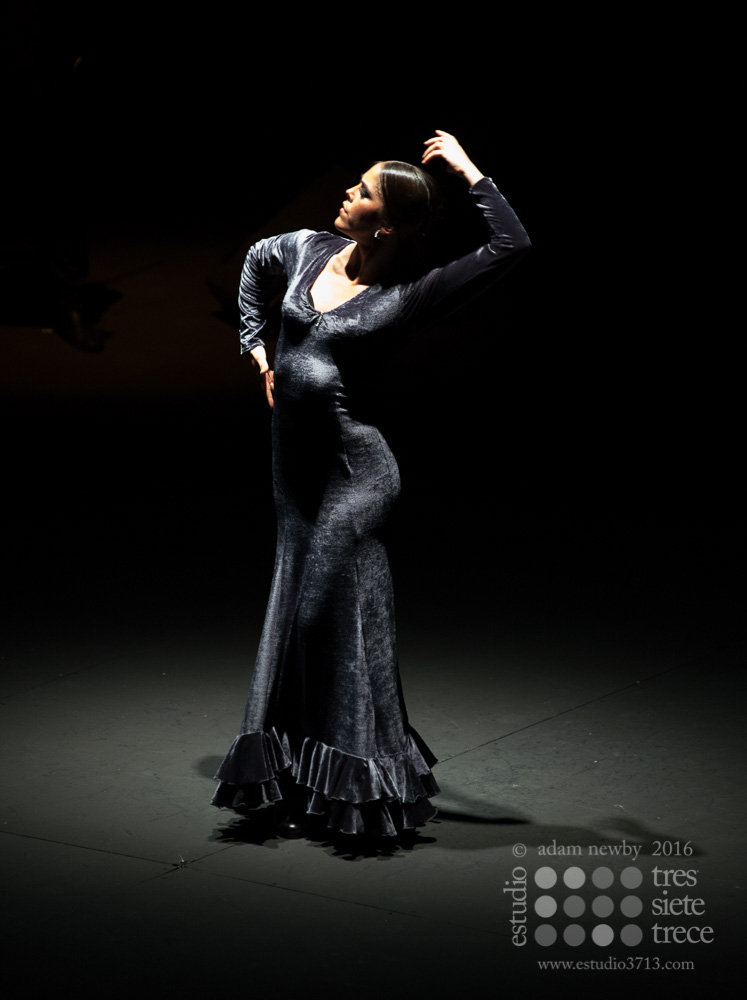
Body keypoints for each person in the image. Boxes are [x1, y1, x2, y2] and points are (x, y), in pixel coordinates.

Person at [212, 131, 530, 839]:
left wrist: (469, 170)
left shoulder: (410, 294)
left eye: (361, 193)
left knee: (321, 618)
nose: (346, 195)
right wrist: (256, 346)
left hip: (356, 475)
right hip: (294, 477)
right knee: (300, 621)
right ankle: (306, 782)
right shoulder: (308, 249)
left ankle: (368, 777)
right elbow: (254, 261)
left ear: (384, 224)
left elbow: (511, 245)